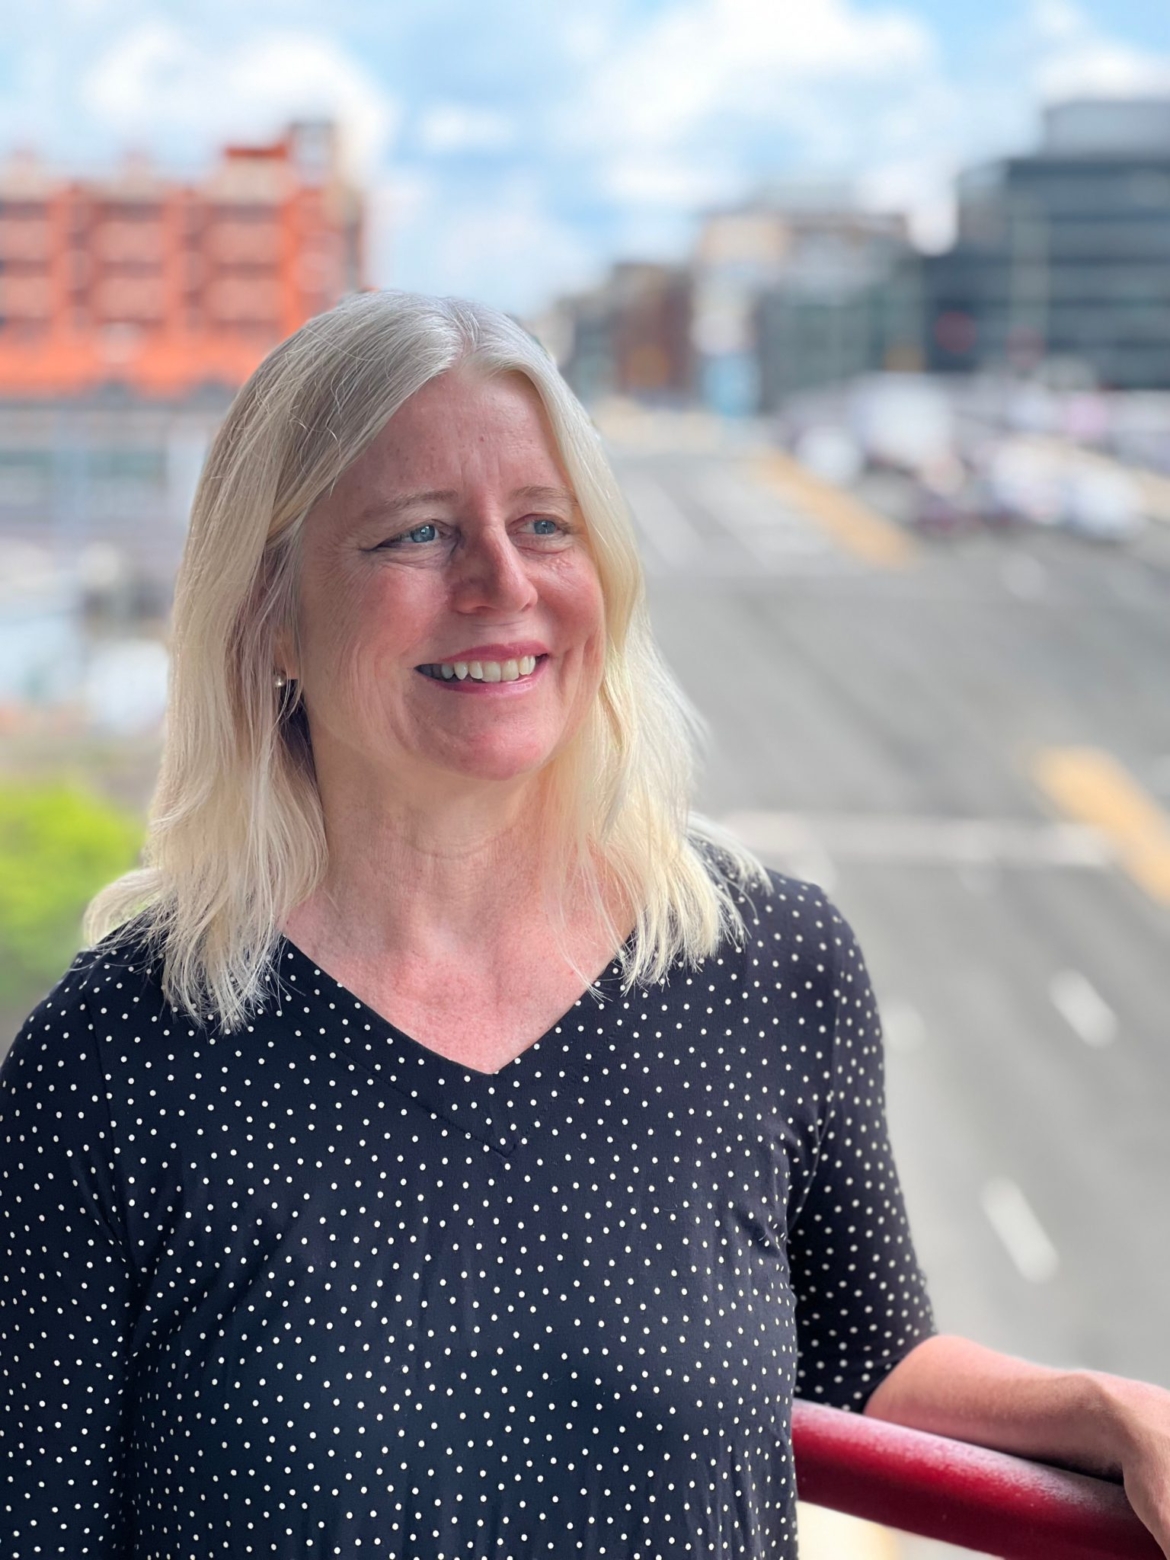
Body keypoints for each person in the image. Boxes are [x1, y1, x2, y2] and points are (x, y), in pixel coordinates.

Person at [0, 291, 1166, 1560]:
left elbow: (859, 1356)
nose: (501, 584)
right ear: (271, 613)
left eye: (544, 525)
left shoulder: (767, 965)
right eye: (416, 535)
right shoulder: (109, 1064)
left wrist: (1100, 1408)